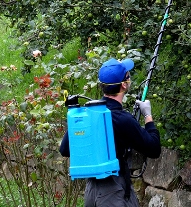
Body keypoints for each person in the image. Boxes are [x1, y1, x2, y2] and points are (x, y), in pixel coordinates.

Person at [59, 57, 161, 206]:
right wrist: (148, 116)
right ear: (124, 85)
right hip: (113, 193)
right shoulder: (123, 119)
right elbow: (154, 149)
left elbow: (65, 149)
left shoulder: (88, 114)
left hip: (91, 192)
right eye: (128, 77)